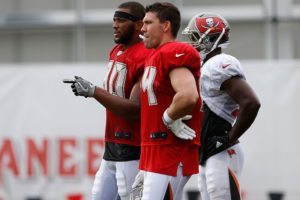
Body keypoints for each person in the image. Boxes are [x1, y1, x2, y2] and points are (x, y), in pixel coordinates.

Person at [65, 2, 151, 200]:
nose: (115, 24)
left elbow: (134, 109)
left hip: (133, 146)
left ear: (139, 25)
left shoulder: (145, 55)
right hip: (112, 144)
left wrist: (95, 91)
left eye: (121, 20)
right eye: (114, 19)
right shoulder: (117, 51)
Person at [182, 12, 261, 199]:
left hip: (222, 151)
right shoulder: (205, 65)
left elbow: (251, 102)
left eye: (195, 37)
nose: (191, 42)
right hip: (210, 151)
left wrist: (228, 139)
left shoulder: (218, 64)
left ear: (209, 39)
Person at [133, 2, 202, 200]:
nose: (142, 28)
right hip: (154, 148)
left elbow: (188, 95)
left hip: (169, 148)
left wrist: (169, 116)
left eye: (148, 23)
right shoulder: (155, 54)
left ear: (165, 26)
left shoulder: (173, 52)